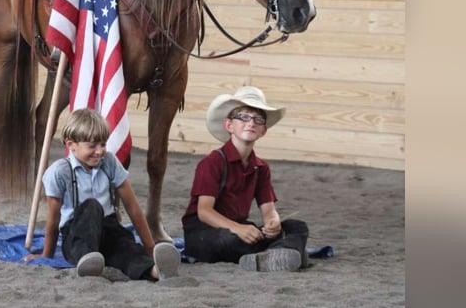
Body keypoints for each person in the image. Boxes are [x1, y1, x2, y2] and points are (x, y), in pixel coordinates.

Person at [23, 108, 180, 280]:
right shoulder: (59, 172)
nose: (99, 151)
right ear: (71, 145)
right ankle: (88, 260)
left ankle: (156, 271)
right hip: (77, 236)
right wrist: (47, 255)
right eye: (92, 146)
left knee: (126, 248)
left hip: (108, 229)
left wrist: (150, 247)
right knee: (92, 206)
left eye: (103, 144)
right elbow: (53, 219)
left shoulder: (109, 162)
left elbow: (132, 207)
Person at [181, 86, 310, 272]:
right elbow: (204, 212)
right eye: (243, 117)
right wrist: (238, 229)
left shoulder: (261, 167)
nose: (251, 123)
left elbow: (269, 211)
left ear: (263, 130)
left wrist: (273, 223)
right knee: (229, 240)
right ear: (229, 126)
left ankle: (271, 256)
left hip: (238, 229)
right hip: (204, 232)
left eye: (258, 119)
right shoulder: (212, 162)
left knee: (297, 226)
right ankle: (282, 253)